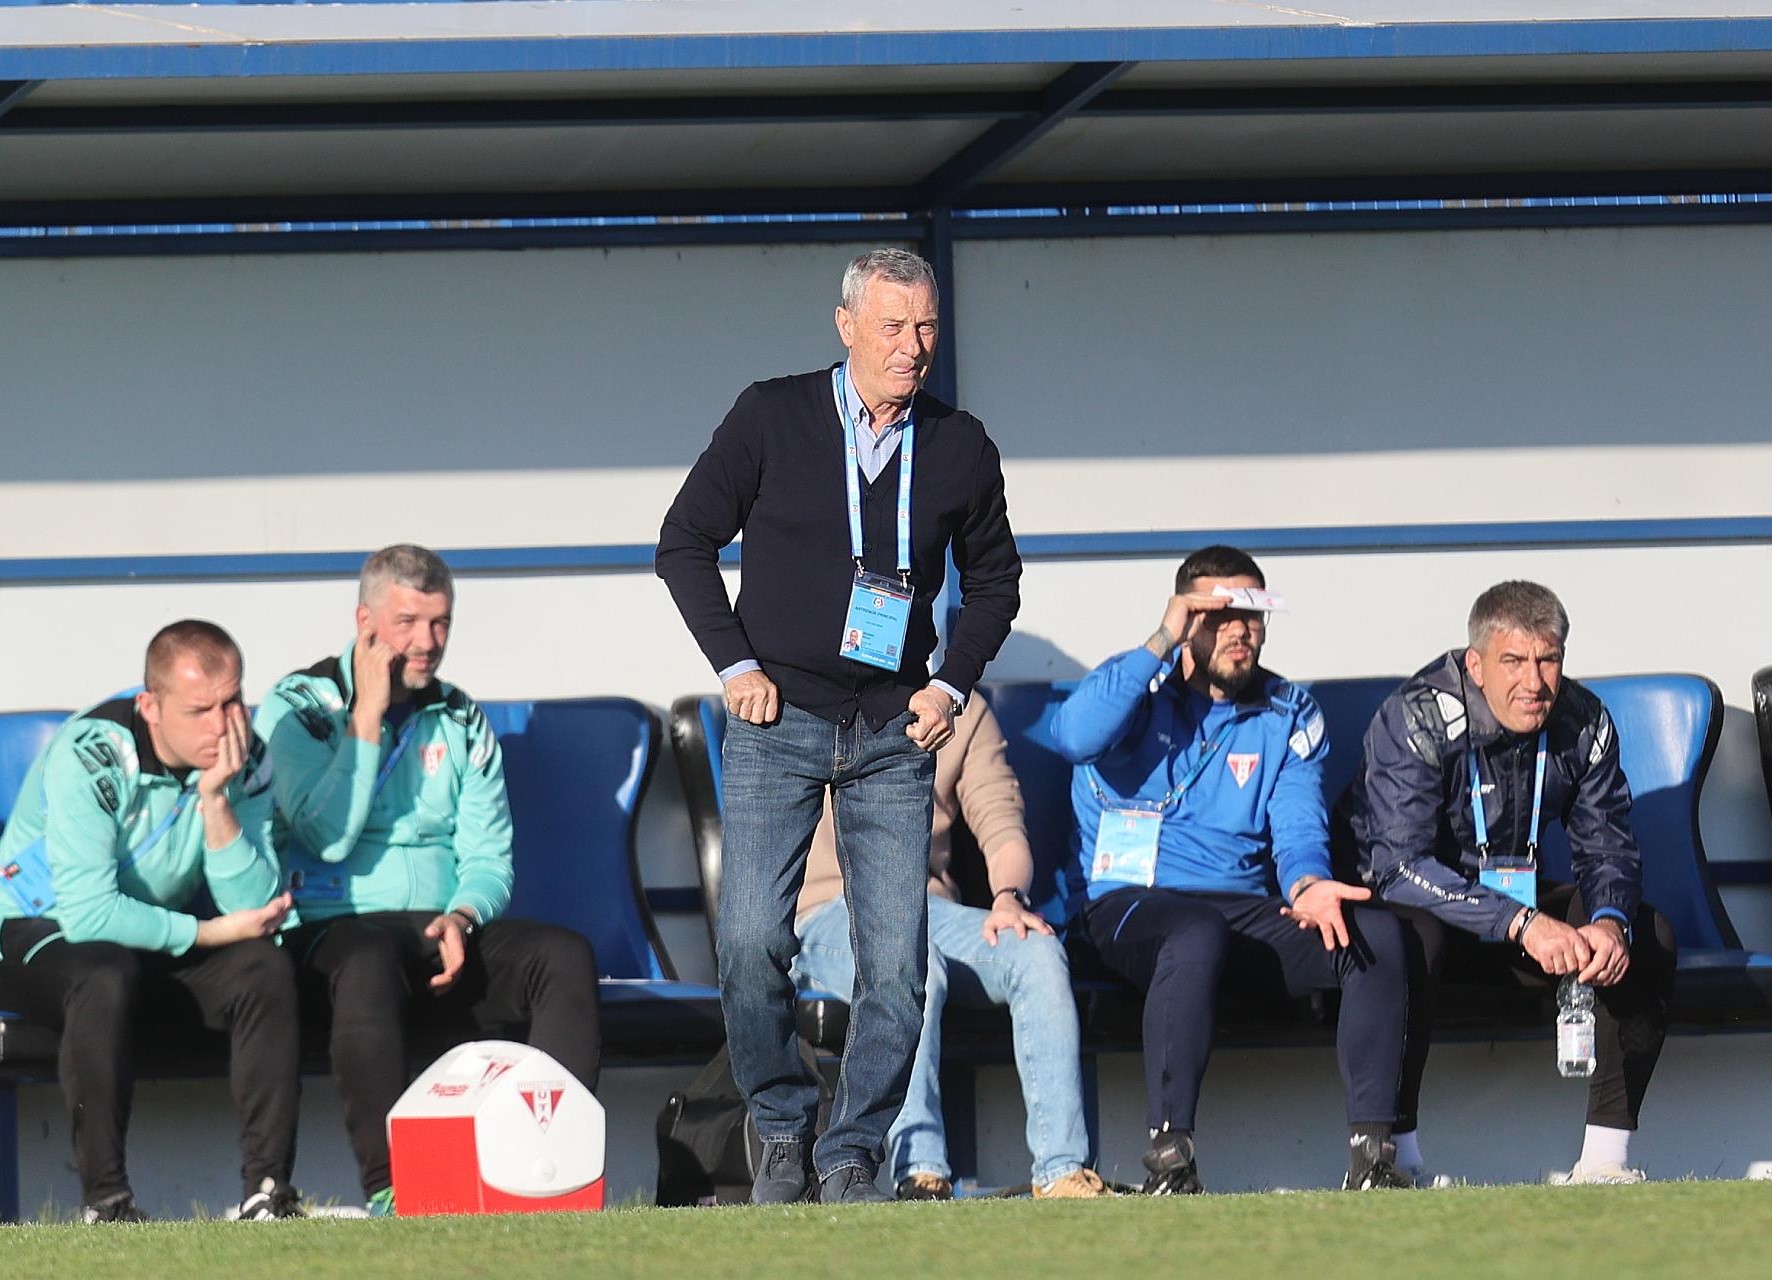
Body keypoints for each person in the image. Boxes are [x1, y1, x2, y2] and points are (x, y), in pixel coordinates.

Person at [657, 247, 1021, 1204]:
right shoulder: (771, 416)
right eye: (893, 327)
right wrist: (735, 666)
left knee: (896, 969)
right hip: (779, 722)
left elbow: (996, 583)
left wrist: (950, 685)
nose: (913, 347)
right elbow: (683, 542)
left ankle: (853, 1150)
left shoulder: (960, 444)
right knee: (749, 946)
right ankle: (781, 1129)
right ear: (847, 325)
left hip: (895, 736)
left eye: (928, 327)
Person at [1052, 545, 1411, 1195]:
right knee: (1194, 932)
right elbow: (1074, 736)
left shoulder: (1288, 710)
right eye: (1218, 615)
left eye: (1252, 614)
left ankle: (1373, 1159)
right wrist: (1163, 638)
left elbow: (1297, 826)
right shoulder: (1139, 689)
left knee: (1375, 935)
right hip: (1130, 903)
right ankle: (1171, 1157)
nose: (1239, 629)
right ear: (1187, 618)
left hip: (1239, 908)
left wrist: (1308, 885)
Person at [255, 543, 601, 1216]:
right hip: (331, 931)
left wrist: (464, 915)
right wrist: (366, 716)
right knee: (367, 961)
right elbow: (326, 836)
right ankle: (393, 1189)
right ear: (365, 622)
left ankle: (557, 1172)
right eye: (408, 622)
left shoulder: (460, 715)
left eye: (441, 622)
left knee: (561, 957)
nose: (428, 642)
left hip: (438, 930)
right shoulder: (298, 706)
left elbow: (489, 856)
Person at [1338, 579, 1677, 1186]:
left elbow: (1607, 844)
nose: (1534, 681)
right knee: (1409, 940)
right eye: (1514, 661)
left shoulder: (1582, 718)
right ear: (1476, 665)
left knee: (1645, 934)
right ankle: (1400, 1162)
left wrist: (1608, 921)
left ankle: (1605, 1162)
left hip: (1513, 910)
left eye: (1548, 660)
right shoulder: (1417, 715)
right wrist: (1520, 922)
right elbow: (1397, 866)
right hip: (1421, 908)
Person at [0, 621, 301, 1223]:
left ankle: (268, 1194)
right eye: (200, 710)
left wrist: (216, 800)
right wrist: (207, 933)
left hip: (147, 938)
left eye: (232, 701)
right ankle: (106, 1202)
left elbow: (254, 907)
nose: (223, 726)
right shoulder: (92, 753)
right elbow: (89, 913)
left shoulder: (247, 758)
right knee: (102, 974)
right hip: (39, 932)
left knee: (263, 970)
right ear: (151, 707)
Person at [791, 693, 1109, 1201]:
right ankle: (920, 1174)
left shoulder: (962, 706)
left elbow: (1001, 820)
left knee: (1037, 951)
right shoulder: (812, 683)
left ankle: (1062, 1171)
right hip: (825, 910)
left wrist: (1009, 896)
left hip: (927, 906)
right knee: (911, 963)